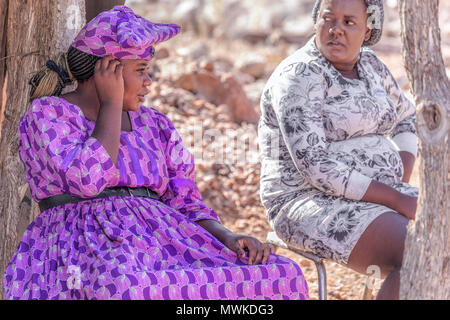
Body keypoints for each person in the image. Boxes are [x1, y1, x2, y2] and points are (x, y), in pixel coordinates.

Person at [4, 6, 308, 300]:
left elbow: (184, 201)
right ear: (107, 69)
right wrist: (111, 103)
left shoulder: (155, 124)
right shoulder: (50, 114)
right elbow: (88, 179)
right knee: (129, 289)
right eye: (141, 70)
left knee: (280, 274)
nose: (149, 81)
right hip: (84, 252)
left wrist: (226, 237)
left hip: (161, 246)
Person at [258, 0, 418, 300]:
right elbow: (315, 165)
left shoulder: (371, 66)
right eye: (328, 19)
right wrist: (395, 197)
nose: (336, 30)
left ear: (368, 27)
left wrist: (402, 176)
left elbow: (406, 117)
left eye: (348, 22)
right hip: (306, 201)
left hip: (377, 193)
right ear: (316, 21)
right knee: (417, 248)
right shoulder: (299, 76)